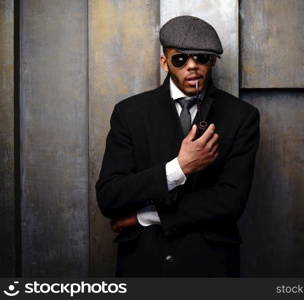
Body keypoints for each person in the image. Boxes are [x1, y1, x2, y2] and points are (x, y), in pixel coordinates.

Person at [95, 15, 260, 277]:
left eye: (201, 58)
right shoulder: (129, 113)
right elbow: (110, 196)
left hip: (209, 266)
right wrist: (179, 167)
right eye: (181, 59)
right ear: (165, 62)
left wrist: (146, 216)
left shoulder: (241, 116)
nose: (192, 66)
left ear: (213, 61)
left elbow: (231, 201)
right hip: (144, 264)